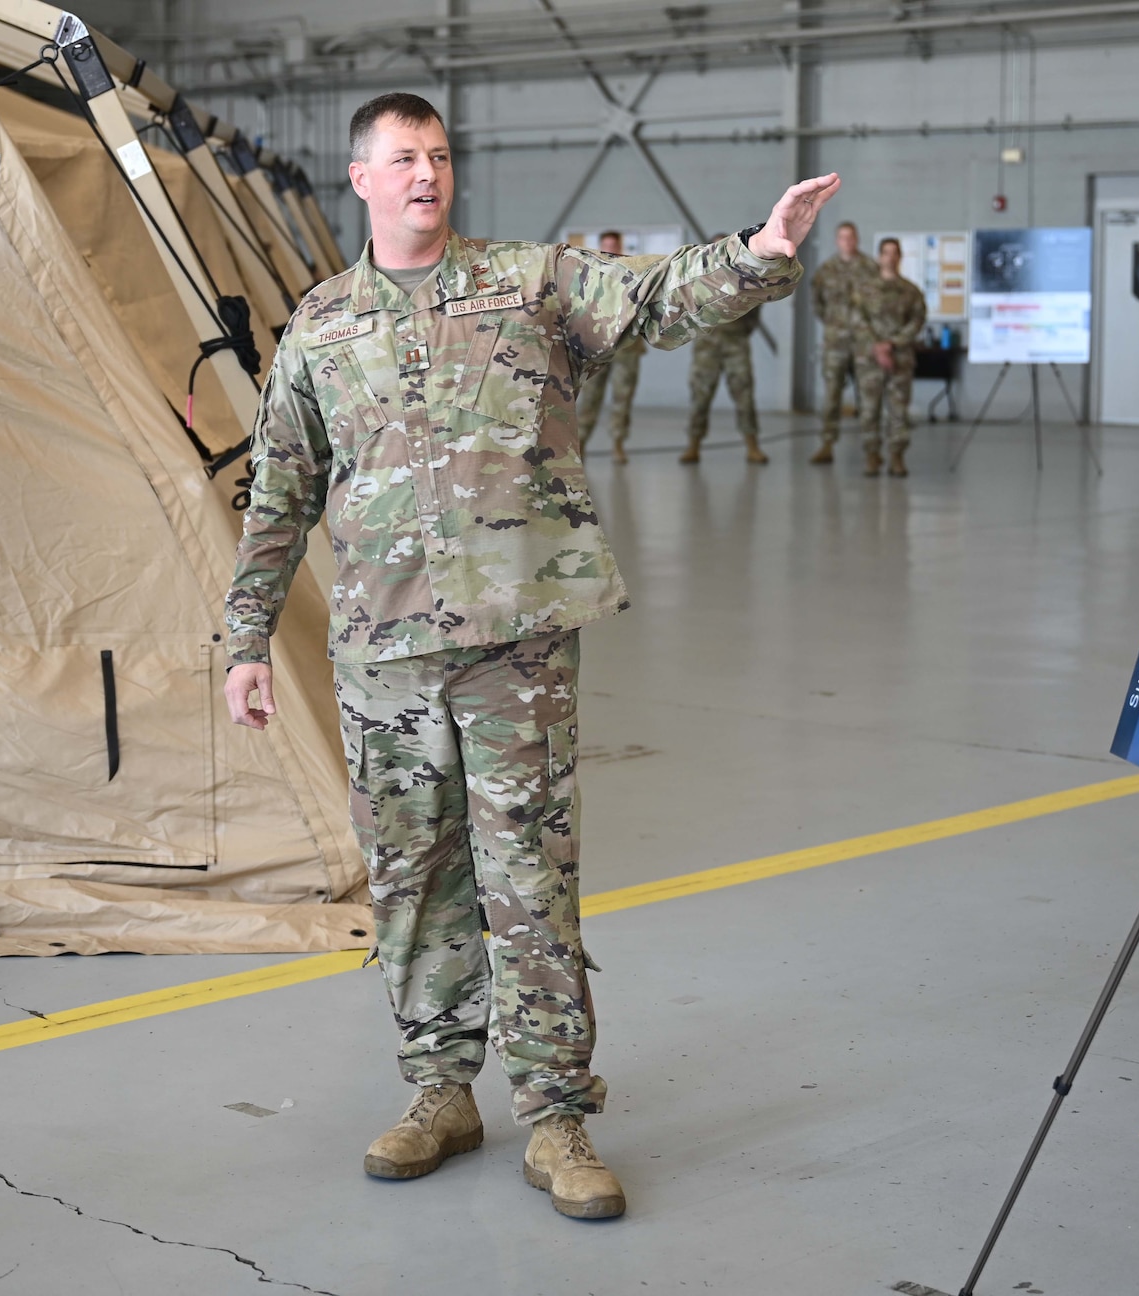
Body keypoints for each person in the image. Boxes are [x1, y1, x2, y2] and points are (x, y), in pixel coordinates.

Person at [222, 90, 834, 1220]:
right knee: (411, 885)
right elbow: (279, 494)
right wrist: (246, 636)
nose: (425, 175)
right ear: (358, 178)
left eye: (440, 156)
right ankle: (437, 1093)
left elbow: (652, 301)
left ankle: (553, 1115)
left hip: (516, 650)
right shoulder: (318, 326)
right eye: (402, 158)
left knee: (528, 881)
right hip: (383, 659)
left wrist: (756, 253)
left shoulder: (532, 284)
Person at [852, 236, 927, 477]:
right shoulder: (864, 290)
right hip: (869, 358)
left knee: (898, 410)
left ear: (900, 257)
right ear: (879, 257)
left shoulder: (911, 291)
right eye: (886, 252)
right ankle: (872, 455)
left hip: (900, 358)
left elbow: (917, 321)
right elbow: (857, 320)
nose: (890, 257)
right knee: (869, 409)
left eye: (895, 252)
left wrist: (892, 344)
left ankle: (896, 456)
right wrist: (877, 346)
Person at [574, 230, 646, 465]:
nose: (610, 250)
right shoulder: (587, 273)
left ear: (620, 246)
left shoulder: (634, 271)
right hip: (595, 346)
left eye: (613, 245)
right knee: (589, 398)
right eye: (606, 245)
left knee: (622, 397)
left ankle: (618, 444)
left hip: (627, 347)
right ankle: (580, 445)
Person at [808, 220, 876, 464]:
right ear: (837, 241)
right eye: (843, 237)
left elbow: (878, 304)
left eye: (851, 237)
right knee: (831, 394)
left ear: (857, 239)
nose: (847, 242)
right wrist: (832, 323)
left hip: (864, 342)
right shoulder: (826, 271)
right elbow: (817, 303)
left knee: (869, 396)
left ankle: (871, 450)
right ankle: (827, 444)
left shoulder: (870, 269)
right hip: (835, 342)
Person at [681, 303, 768, 465]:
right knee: (700, 394)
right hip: (706, 341)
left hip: (736, 340)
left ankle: (752, 446)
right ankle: (693, 445)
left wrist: (743, 329)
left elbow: (754, 303)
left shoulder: (741, 276)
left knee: (744, 393)